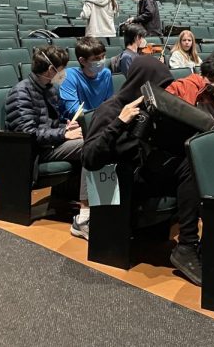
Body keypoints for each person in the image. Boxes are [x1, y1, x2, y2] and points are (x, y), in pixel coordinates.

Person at [82, 56, 203, 285]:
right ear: (141, 82)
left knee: (193, 164)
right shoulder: (110, 109)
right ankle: (187, 246)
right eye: (158, 85)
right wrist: (120, 122)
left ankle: (190, 244)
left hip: (145, 172)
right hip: (123, 183)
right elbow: (89, 158)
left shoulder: (150, 108)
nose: (161, 91)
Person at [5, 46, 89, 239]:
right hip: (34, 152)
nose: (64, 73)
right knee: (89, 146)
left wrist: (66, 126)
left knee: (90, 138)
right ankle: (85, 217)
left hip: (51, 144)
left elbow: (50, 121)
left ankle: (90, 206)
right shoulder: (21, 93)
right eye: (62, 68)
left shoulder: (50, 88)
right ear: (51, 70)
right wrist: (63, 133)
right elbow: (28, 133)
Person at [166, 52, 214, 127]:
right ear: (202, 75)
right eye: (211, 80)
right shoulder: (185, 84)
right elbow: (165, 98)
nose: (213, 85)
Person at [58, 37, 114, 120]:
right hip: (77, 124)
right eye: (96, 58)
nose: (102, 61)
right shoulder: (68, 76)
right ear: (82, 61)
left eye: (103, 56)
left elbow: (110, 103)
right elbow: (74, 111)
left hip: (99, 120)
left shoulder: (106, 73)